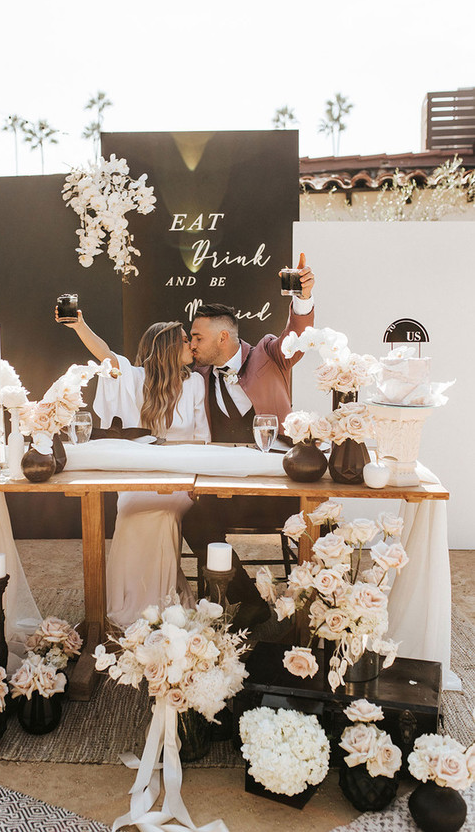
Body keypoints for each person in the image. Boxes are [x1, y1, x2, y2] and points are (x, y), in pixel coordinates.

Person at [183, 253, 315, 629]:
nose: (192, 343)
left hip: (278, 488)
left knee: (324, 520)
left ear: (223, 337)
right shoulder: (198, 374)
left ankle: (323, 608)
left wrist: (302, 300)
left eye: (198, 337)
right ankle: (248, 601)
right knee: (192, 519)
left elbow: (298, 338)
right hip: (227, 491)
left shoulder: (270, 353)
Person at [56, 307, 210, 628]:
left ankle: (162, 604)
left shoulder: (194, 382)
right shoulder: (135, 379)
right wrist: (80, 325)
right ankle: (131, 604)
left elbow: (202, 439)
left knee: (164, 512)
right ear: (168, 347)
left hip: (179, 479)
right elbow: (106, 356)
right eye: (184, 340)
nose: (191, 346)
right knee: (130, 510)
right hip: (138, 476)